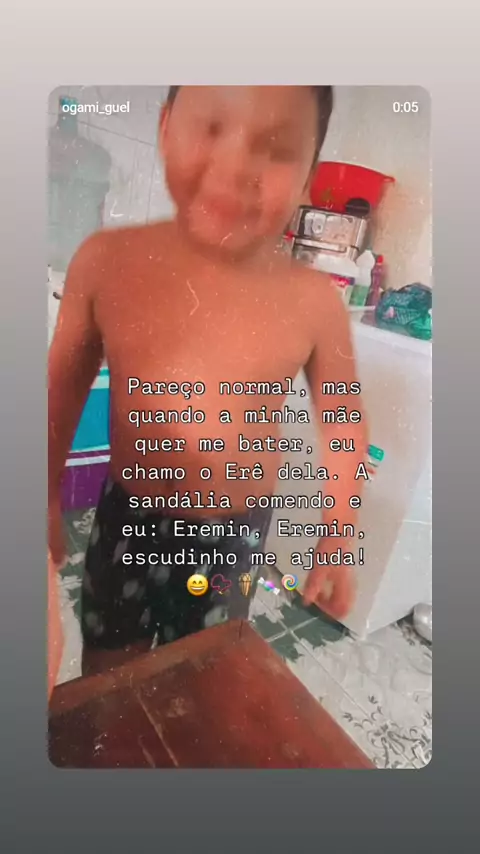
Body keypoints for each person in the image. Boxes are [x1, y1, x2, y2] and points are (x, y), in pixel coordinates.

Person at [48, 86, 368, 676]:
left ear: (308, 178)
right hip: (129, 518)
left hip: (231, 538)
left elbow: (343, 419)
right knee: (108, 679)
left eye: (276, 147)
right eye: (212, 127)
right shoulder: (105, 263)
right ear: (166, 128)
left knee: (201, 678)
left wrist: (340, 530)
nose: (236, 166)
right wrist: (42, 492)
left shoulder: (313, 302)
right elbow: (59, 390)